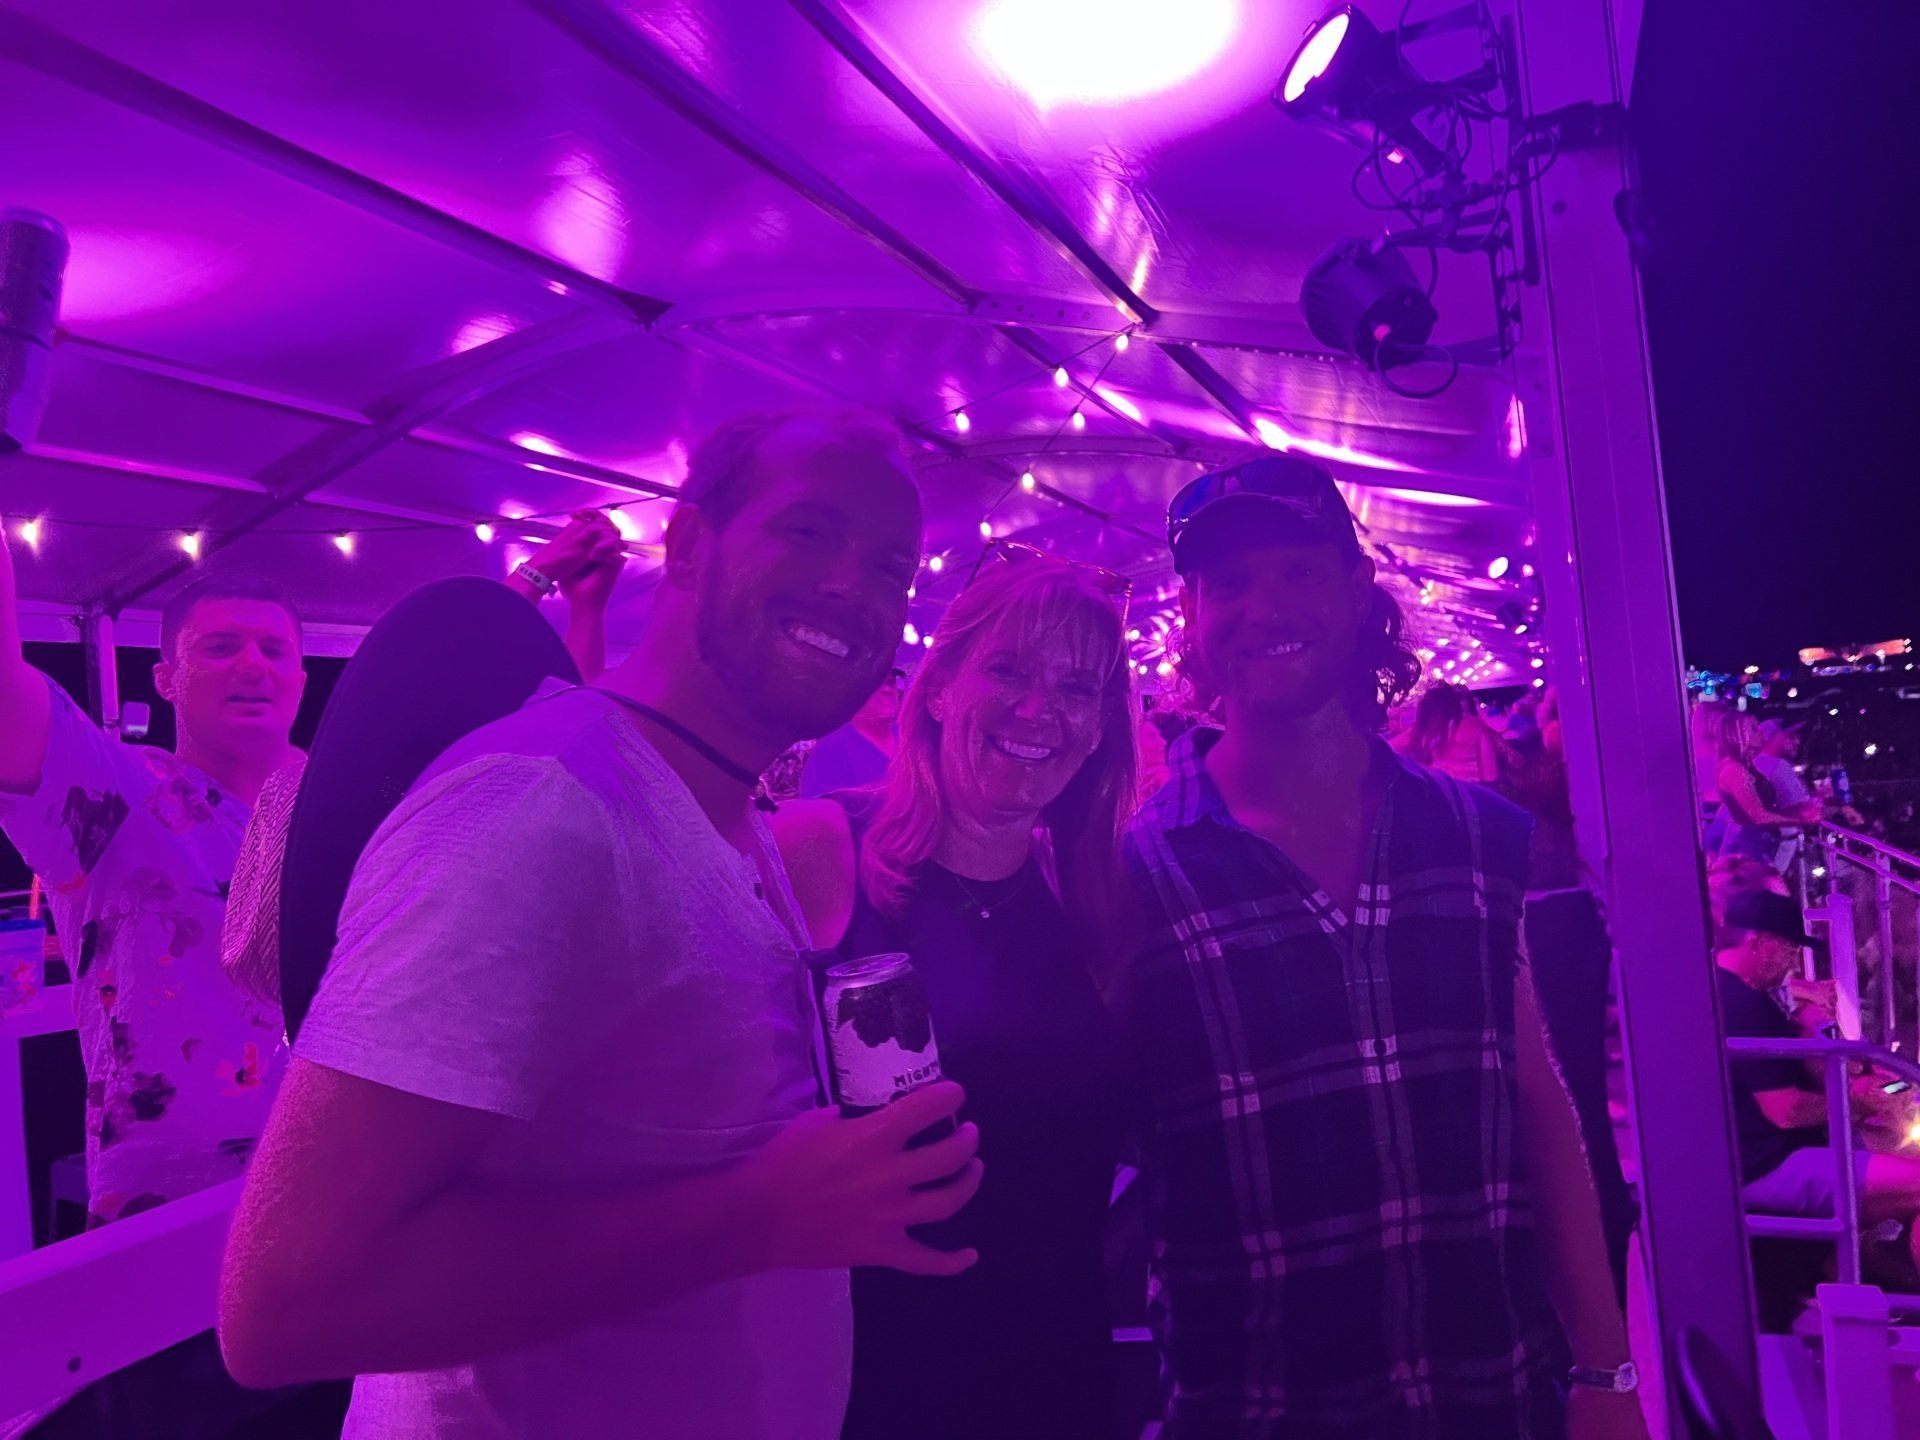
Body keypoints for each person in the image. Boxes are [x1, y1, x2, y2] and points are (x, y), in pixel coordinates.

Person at [216, 407, 983, 1440]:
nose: (854, 586)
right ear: (689, 542)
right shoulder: (540, 811)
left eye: (893, 567)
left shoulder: (717, 810)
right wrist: (760, 1215)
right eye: (809, 531)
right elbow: (283, 1308)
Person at [1117, 453, 1647, 1439]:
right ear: (1190, 614)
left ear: (1361, 594)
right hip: (1261, 1414)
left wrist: (1608, 1373)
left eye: (1299, 572)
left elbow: (1540, 1104)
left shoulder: (1475, 836)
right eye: (1227, 582)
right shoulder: (1135, 875)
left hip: (1492, 1396)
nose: (1261, 605)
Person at [772, 552, 1134, 1440]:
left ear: (1097, 729)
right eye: (1008, 669)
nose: (1039, 710)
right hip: (872, 1385)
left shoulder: (1094, 896)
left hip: (1059, 1376)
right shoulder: (817, 848)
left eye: (1077, 687)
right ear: (935, 690)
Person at [1715, 890, 1920, 1266]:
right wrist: (1860, 1102)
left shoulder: (1724, 990)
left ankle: (1889, 1273)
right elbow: (1786, 1111)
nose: (1794, 963)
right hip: (1763, 1166)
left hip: (1748, 1155)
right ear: (1761, 943)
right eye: (1791, 950)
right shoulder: (1742, 1006)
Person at [1708, 712, 1816, 863]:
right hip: (1742, 855)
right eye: (1753, 729)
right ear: (1737, 735)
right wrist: (1799, 818)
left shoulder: (1747, 766)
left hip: (1747, 851)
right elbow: (1756, 816)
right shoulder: (1736, 769)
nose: (1760, 732)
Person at [799, 666, 903, 797]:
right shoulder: (830, 750)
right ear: (854, 693)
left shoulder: (909, 738)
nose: (888, 689)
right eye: (877, 682)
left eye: (890, 682)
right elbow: (816, 813)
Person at [1399, 678, 1505, 782]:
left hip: (1440, 788)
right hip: (1466, 790)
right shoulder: (1476, 727)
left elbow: (1390, 747)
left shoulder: (1424, 728)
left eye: (1463, 699)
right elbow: (1490, 775)